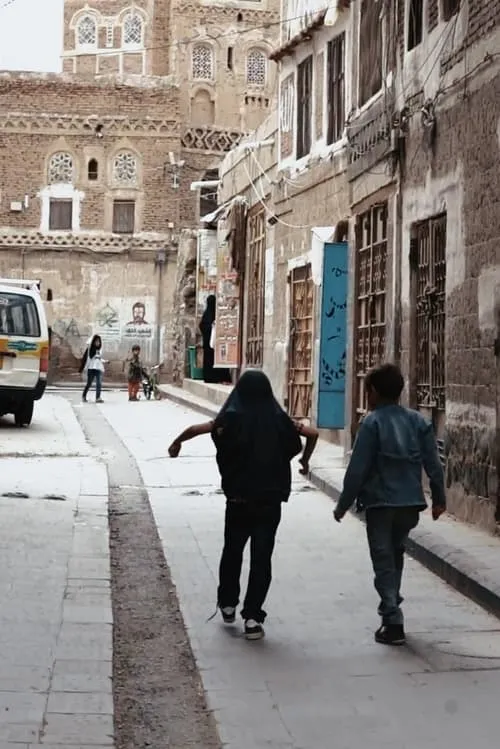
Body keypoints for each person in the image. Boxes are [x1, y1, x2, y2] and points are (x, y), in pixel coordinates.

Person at [168, 369, 319, 640]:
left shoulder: (230, 418)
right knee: (262, 557)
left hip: (238, 500)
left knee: (233, 551)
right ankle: (252, 617)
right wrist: (304, 461)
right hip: (270, 500)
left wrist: (176, 443)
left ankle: (227, 605)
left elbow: (195, 429)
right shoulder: (279, 420)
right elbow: (313, 433)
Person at [333, 363, 446, 646]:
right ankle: (391, 603)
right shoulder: (418, 422)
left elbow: (358, 470)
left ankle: (392, 618)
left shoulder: (372, 423)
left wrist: (343, 504)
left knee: (383, 559)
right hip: (410, 504)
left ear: (373, 392)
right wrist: (439, 498)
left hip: (381, 503)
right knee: (395, 554)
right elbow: (434, 464)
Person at [199, 294, 231, 384]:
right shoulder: (211, 314)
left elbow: (202, 326)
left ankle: (212, 377)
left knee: (215, 359)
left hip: (212, 343)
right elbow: (202, 326)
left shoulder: (208, 314)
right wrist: (211, 327)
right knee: (213, 359)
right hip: (212, 342)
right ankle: (211, 377)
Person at [79, 334, 105, 403]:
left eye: (99, 342)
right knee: (89, 383)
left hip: (98, 368)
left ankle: (98, 397)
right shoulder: (90, 350)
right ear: (93, 342)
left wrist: (105, 361)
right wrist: (82, 369)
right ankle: (84, 395)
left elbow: (98, 359)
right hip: (91, 368)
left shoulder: (99, 350)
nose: (98, 343)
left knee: (99, 383)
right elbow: (86, 359)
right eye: (96, 341)